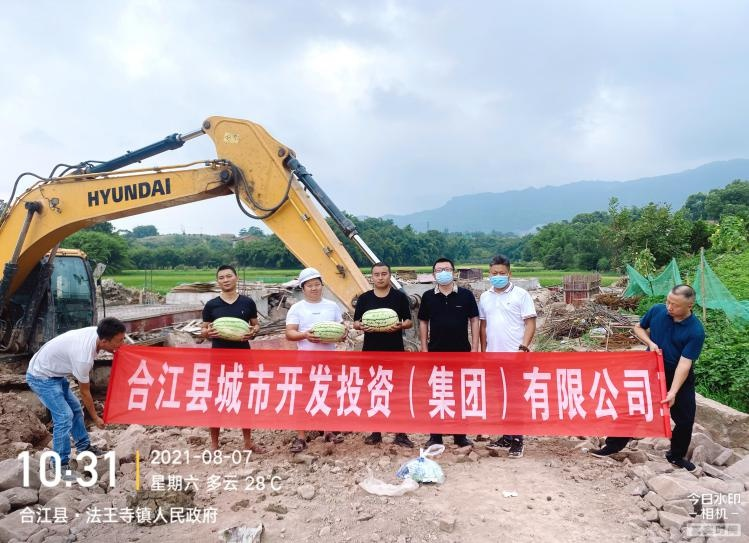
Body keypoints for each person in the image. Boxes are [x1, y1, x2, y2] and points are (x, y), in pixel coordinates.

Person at [591, 284, 705, 471]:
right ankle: (612, 446)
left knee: (685, 419)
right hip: (650, 371)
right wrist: (650, 343)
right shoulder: (657, 311)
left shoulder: (695, 330)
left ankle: (676, 456)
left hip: (677, 375)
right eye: (668, 301)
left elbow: (684, 364)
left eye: (675, 305)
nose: (669, 307)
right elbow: (638, 328)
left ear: (689, 305)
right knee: (632, 408)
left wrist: (672, 392)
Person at [26, 317, 126, 478]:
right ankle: (59, 465)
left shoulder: (98, 333)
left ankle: (84, 447)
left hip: (55, 373)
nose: (122, 344)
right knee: (64, 416)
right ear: (104, 341)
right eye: (119, 341)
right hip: (40, 377)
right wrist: (95, 418)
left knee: (76, 410)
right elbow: (85, 392)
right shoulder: (83, 358)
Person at [201, 264, 265, 453]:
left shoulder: (247, 302)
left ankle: (248, 442)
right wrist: (207, 332)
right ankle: (214, 444)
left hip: (243, 356)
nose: (225, 280)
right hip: (218, 358)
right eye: (221, 277)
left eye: (229, 276)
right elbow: (203, 329)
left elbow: (255, 325)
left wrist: (254, 331)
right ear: (217, 281)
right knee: (216, 400)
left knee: (244, 398)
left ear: (236, 278)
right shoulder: (211, 305)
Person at [479, 254, 537, 459]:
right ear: (489, 273)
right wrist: (483, 350)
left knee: (514, 397)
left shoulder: (521, 295)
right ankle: (506, 435)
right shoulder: (485, 297)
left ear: (509, 273)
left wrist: (523, 347)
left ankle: (518, 440)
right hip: (493, 355)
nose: (498, 276)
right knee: (500, 397)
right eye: (494, 273)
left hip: (515, 355)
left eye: (502, 273)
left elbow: (530, 323)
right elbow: (483, 326)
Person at [418, 257, 479, 448]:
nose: (443, 273)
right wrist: (424, 348)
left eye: (446, 269)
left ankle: (460, 435)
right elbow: (423, 322)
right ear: (433, 274)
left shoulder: (466, 295)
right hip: (435, 352)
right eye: (439, 270)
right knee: (436, 393)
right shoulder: (428, 296)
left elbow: (474, 320)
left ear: (454, 272)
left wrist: (475, 347)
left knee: (460, 393)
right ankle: (435, 436)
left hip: (461, 352)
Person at [353, 262, 415, 448]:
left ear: (389, 275)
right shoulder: (364, 298)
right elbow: (356, 322)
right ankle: (376, 432)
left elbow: (409, 321)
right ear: (372, 277)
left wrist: (401, 325)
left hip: (395, 351)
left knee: (398, 392)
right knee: (374, 390)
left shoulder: (399, 297)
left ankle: (400, 433)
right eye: (377, 274)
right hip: (371, 351)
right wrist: (361, 325)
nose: (380, 277)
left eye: (384, 274)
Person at [285, 267, 347, 453]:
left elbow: (341, 330)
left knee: (329, 395)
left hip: (329, 359)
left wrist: (342, 335)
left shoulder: (332, 306)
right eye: (310, 285)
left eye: (317, 284)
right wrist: (305, 335)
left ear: (322, 285)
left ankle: (328, 431)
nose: (314, 288)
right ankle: (301, 437)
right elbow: (289, 333)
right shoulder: (297, 308)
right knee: (303, 397)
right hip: (305, 359)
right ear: (303, 288)